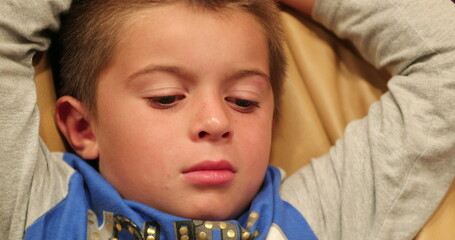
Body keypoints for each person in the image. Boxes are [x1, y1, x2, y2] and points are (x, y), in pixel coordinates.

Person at [0, 0, 454, 239]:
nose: (216, 121)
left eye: (243, 100)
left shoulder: (316, 220)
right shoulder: (34, 208)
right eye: (166, 97)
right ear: (82, 127)